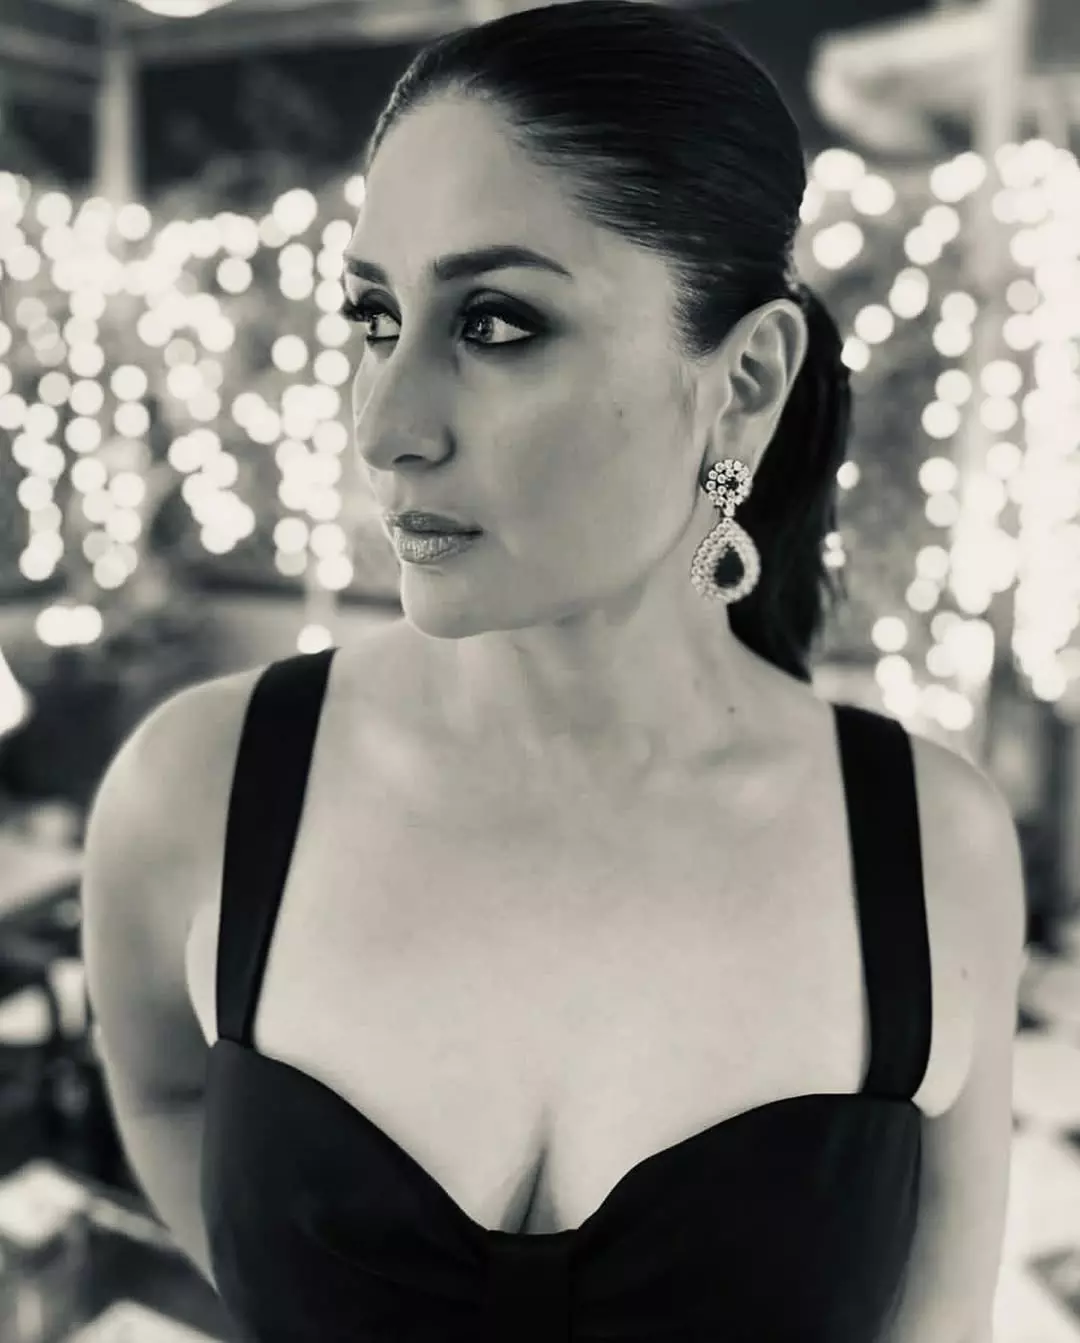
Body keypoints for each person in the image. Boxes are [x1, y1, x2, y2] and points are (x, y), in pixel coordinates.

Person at [81, 3, 1026, 1340]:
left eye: (497, 322)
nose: (383, 427)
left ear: (746, 381)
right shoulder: (200, 789)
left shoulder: (933, 849)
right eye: (375, 316)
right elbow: (163, 1091)